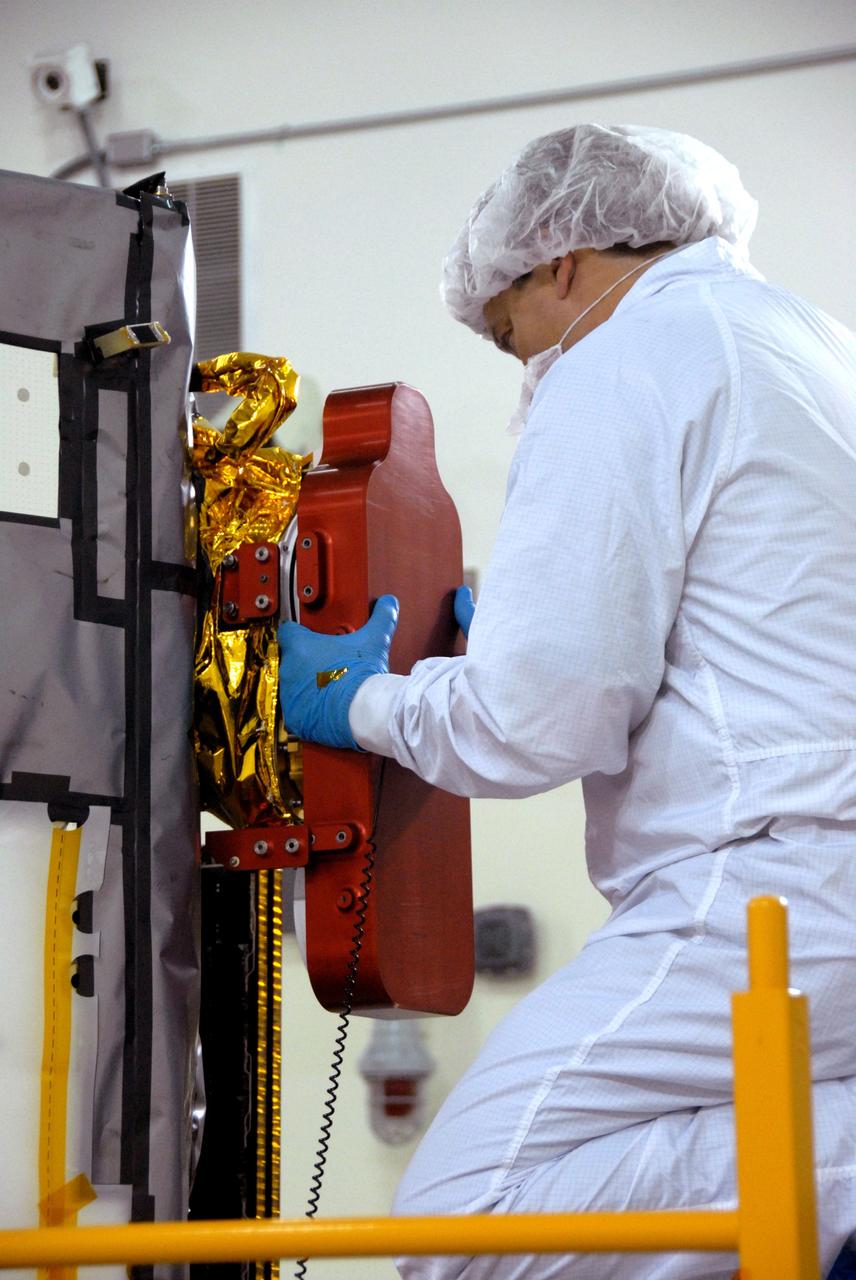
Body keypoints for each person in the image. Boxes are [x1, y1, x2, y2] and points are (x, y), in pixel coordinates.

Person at [278, 123, 856, 1278]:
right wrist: (524, 641)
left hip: (768, 881)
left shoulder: (623, 355)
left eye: (511, 337)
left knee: (467, 1229)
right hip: (807, 864)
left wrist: (369, 701)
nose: (525, 369)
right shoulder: (807, 341)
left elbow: (540, 719)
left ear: (558, 257)